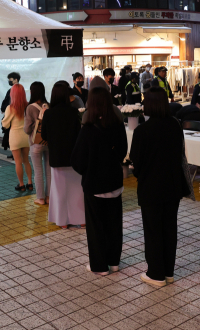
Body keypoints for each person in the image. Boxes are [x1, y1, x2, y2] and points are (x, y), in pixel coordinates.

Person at [130, 87, 193, 287]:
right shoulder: (175, 125)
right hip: (173, 186)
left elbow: (136, 164)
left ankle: (156, 274)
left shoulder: (142, 131)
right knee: (169, 228)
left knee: (153, 230)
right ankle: (168, 272)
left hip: (151, 188)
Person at [71, 87, 127, 275]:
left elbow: (77, 162)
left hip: (94, 185)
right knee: (114, 224)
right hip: (114, 183)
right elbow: (122, 153)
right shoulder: (118, 125)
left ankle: (99, 266)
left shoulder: (87, 129)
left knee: (96, 227)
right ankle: (114, 262)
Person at [41, 82, 85, 229]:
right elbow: (79, 134)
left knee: (60, 191)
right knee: (77, 190)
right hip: (74, 157)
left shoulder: (48, 113)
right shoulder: (74, 112)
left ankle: (63, 221)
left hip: (57, 158)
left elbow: (44, 135)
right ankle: (81, 219)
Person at [24, 81, 51, 204]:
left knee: (38, 171)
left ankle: (40, 198)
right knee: (49, 171)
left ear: (32, 92)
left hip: (35, 143)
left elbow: (27, 129)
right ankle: (49, 197)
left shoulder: (30, 108)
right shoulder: (49, 105)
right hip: (48, 142)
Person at [2, 84, 32, 191]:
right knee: (26, 161)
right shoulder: (28, 106)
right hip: (26, 136)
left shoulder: (10, 108)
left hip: (15, 136)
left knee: (18, 162)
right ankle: (30, 183)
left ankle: (21, 184)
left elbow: (5, 124)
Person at [1, 72, 21, 159]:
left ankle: (16, 154)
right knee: (11, 136)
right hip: (11, 115)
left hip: (15, 116)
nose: (9, 81)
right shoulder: (12, 89)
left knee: (15, 136)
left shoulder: (18, 90)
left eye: (10, 80)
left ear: (16, 80)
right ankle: (14, 153)